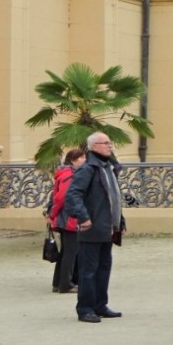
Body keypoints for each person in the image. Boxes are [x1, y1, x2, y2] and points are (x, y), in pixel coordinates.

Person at [63, 132, 125, 324]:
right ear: (93, 146)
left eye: (109, 142)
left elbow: (114, 198)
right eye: (105, 143)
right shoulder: (88, 168)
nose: (109, 145)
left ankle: (100, 305)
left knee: (103, 269)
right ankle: (85, 308)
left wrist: (120, 221)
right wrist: (83, 217)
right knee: (88, 271)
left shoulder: (108, 167)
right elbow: (73, 195)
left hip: (107, 228)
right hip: (91, 228)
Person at [47, 148, 85, 294]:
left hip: (65, 216)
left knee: (66, 251)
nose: (84, 160)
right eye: (82, 158)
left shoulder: (66, 173)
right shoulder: (69, 175)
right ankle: (65, 284)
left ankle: (58, 282)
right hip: (69, 217)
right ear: (74, 160)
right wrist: (53, 214)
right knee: (70, 251)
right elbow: (61, 197)